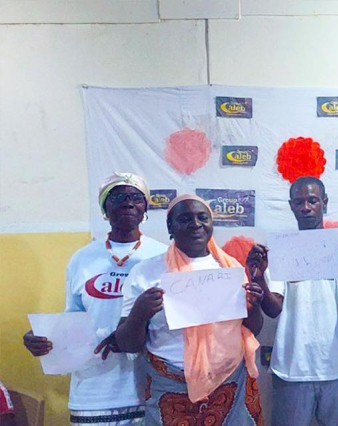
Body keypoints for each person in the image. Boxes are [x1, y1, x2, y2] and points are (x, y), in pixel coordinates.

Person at [23, 172, 166, 425]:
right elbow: (73, 317)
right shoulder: (82, 259)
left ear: (145, 207)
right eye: (118, 197)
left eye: (136, 197)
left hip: (147, 388)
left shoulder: (162, 256)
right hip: (92, 392)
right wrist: (43, 337)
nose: (128, 203)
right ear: (104, 209)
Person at [114, 195, 265, 425]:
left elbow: (253, 328)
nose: (195, 224)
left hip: (231, 384)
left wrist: (253, 306)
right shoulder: (146, 273)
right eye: (185, 219)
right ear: (170, 228)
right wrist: (140, 313)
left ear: (211, 224)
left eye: (202, 217)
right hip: (169, 386)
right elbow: (126, 344)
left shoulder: (230, 268)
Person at [252, 177, 338, 426]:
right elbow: (274, 309)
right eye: (299, 202)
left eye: (312, 200)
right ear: (291, 206)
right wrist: (259, 279)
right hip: (292, 366)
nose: (306, 207)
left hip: (337, 365)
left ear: (325, 202)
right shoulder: (281, 250)